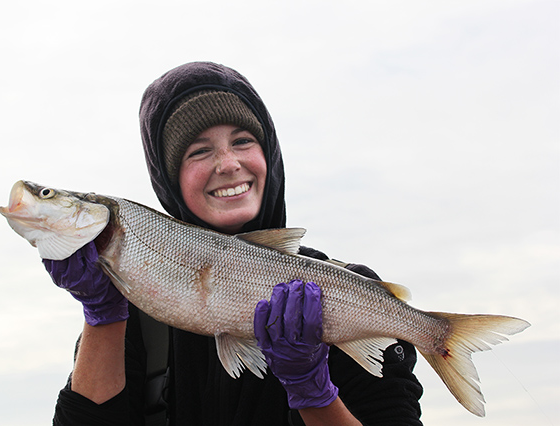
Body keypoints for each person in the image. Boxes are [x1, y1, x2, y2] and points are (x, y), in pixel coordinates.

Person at [44, 61, 423, 425]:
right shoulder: (135, 309)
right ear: (169, 179)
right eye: (198, 151)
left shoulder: (345, 290)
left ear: (268, 154)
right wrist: (103, 316)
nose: (227, 164)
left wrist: (313, 391)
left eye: (242, 140)